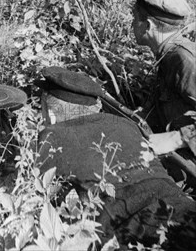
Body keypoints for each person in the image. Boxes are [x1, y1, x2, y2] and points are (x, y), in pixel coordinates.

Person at [37, 67, 196, 250]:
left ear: (51, 115)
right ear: (96, 107)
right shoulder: (126, 124)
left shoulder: (50, 137)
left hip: (130, 230)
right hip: (181, 209)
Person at [130, 0, 196, 159]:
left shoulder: (183, 59)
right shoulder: (167, 54)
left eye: (134, 18)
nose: (131, 24)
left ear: (148, 25)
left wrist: (178, 138)